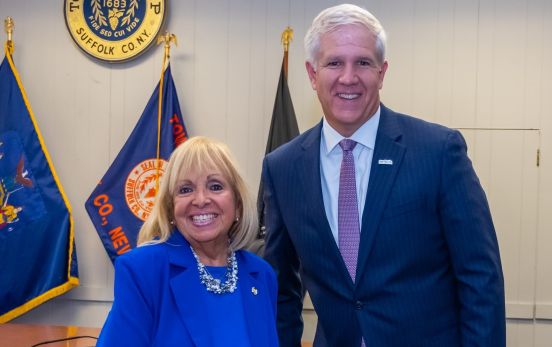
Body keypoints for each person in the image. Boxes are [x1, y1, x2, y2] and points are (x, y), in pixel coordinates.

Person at [261, 3, 505, 346]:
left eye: (363, 62)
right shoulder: (282, 167)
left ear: (382, 72)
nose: (349, 77)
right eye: (334, 63)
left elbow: (480, 277)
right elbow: (281, 289)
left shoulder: (438, 152)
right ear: (312, 74)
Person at [98, 136, 278, 347]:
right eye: (185, 189)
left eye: (216, 186)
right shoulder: (143, 270)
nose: (201, 200)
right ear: (170, 207)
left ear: (237, 203)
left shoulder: (261, 275)